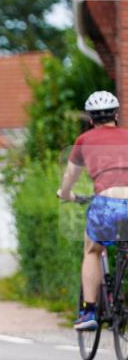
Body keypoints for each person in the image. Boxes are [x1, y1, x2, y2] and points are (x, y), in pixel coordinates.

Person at [56, 90, 128, 331]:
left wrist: (66, 195)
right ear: (116, 115)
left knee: (93, 250)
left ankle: (88, 311)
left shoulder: (84, 140)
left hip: (106, 203)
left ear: (90, 119)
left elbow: (70, 176)